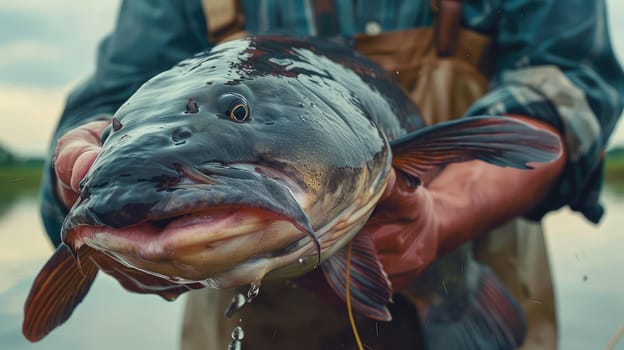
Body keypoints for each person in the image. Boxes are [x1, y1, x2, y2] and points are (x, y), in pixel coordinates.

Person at [42, 0, 624, 349]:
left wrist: (446, 214)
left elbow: (571, 81)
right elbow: (110, 99)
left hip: (476, 254)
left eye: (238, 115)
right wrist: (83, 173)